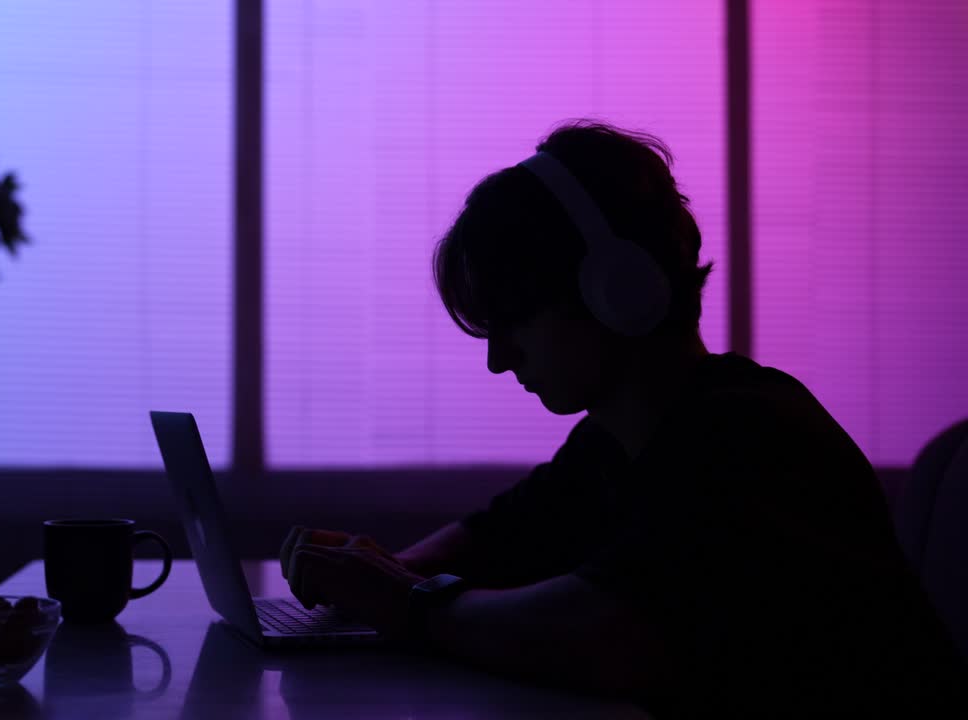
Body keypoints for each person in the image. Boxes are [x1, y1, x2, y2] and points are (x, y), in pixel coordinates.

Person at [279, 120, 965, 718]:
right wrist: (372, 578)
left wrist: (409, 604)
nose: (498, 360)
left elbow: (610, 631)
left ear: (614, 288)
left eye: (514, 319)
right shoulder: (619, 439)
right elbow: (494, 539)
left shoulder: (748, 436)